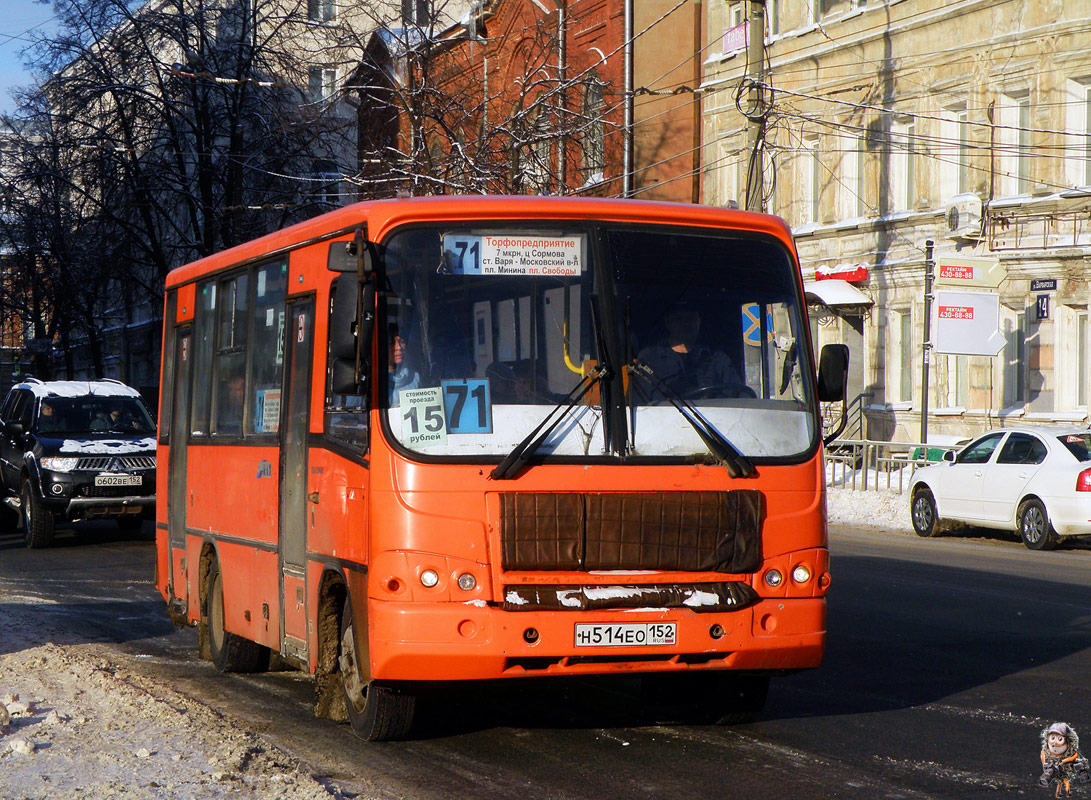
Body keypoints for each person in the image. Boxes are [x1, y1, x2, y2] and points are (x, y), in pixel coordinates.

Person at [637, 301, 745, 397]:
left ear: (699, 321)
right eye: (678, 318)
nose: (685, 323)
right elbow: (639, 404)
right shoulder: (649, 359)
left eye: (691, 318)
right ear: (667, 322)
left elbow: (740, 396)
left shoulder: (718, 359)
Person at [388, 324, 419, 405]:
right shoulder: (373, 382)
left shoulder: (415, 378)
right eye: (391, 342)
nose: (398, 347)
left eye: (402, 341)